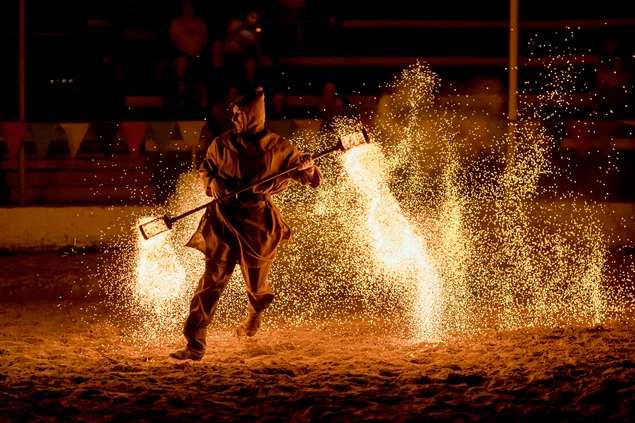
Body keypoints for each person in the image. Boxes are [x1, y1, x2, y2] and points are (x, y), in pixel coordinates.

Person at [170, 86, 322, 361]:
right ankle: (195, 343)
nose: (234, 119)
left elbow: (309, 179)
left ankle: (254, 315)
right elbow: (207, 169)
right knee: (210, 283)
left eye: (239, 114)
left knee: (256, 286)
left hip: (257, 226)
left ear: (252, 115)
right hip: (222, 222)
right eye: (234, 114)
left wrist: (308, 168)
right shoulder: (222, 143)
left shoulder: (278, 147)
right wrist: (213, 182)